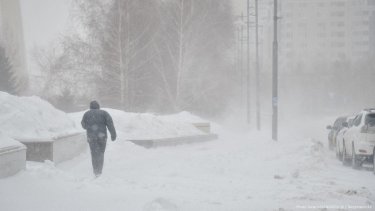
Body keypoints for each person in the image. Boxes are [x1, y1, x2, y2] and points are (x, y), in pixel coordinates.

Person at [81, 101, 116, 177]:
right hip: (102, 137)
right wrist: (113, 135)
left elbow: (83, 125)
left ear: (90, 107)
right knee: (101, 153)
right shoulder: (104, 113)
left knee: (94, 154)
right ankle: (99, 171)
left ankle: (95, 171)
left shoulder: (87, 114)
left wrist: (90, 126)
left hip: (91, 137)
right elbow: (110, 124)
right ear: (98, 106)